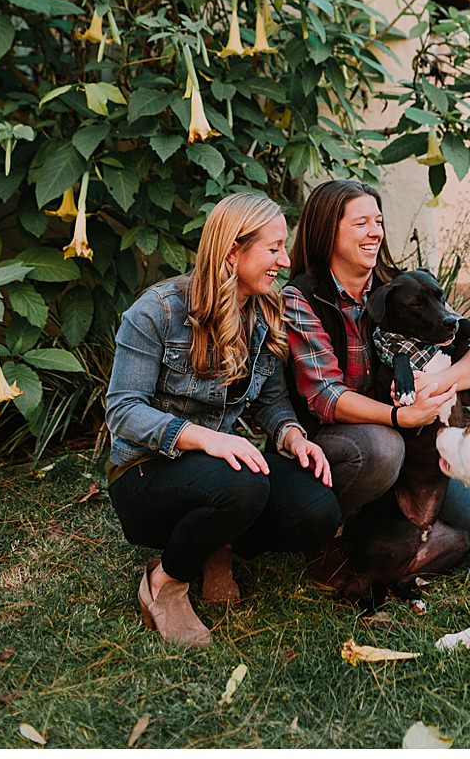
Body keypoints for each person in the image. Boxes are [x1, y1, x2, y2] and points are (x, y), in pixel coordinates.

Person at [105, 192, 340, 648]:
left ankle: (218, 546)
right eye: (273, 248)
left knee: (317, 509)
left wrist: (292, 437)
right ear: (233, 251)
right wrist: (204, 439)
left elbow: (270, 402)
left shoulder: (262, 313)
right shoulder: (158, 311)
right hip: (144, 471)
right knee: (243, 485)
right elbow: (122, 410)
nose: (284, 260)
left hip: (216, 472)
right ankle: (165, 582)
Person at [282, 178, 470, 553]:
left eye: (378, 221)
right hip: (342, 442)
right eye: (361, 224)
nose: (375, 233)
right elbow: (325, 397)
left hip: (413, 446)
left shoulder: (401, 286)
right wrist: (399, 417)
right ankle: (339, 531)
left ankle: (396, 517)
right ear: (328, 232)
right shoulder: (303, 297)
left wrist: (440, 382)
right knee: (382, 449)